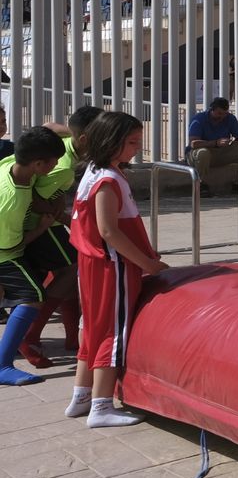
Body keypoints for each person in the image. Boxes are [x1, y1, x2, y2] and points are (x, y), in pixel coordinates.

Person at [68, 111, 166, 426]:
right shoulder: (108, 180)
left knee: (93, 328)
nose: (138, 148)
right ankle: (101, 405)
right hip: (112, 266)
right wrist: (148, 262)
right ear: (111, 142)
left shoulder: (94, 172)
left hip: (93, 265)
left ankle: (82, 395)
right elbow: (109, 231)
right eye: (132, 142)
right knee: (113, 330)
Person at [16, 106, 101, 368]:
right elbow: (36, 200)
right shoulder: (61, 166)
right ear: (86, 139)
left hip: (44, 221)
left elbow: (51, 125)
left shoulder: (63, 145)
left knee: (73, 271)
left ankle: (70, 337)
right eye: (103, 134)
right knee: (71, 269)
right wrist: (65, 218)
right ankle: (29, 335)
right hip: (39, 225)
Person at [0, 127, 68, 386]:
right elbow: (10, 245)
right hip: (5, 253)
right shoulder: (13, 200)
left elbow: (50, 130)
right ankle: (3, 364)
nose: (56, 167)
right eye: (53, 163)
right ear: (39, 163)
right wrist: (41, 228)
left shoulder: (12, 162)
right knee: (33, 296)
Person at [188, 97, 238, 197]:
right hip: (202, 153)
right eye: (219, 113)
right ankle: (200, 184)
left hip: (222, 152)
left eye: (225, 113)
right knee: (202, 153)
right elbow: (193, 144)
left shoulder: (230, 118)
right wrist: (216, 143)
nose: (222, 117)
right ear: (212, 110)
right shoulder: (199, 119)